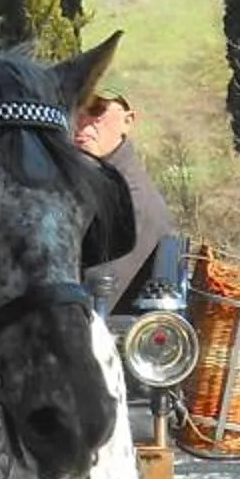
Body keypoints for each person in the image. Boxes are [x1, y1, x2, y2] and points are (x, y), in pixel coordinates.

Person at [73, 87, 176, 317]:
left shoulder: (126, 200)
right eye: (76, 106)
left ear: (127, 121)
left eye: (97, 110)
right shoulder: (95, 181)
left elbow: (95, 295)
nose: (83, 121)